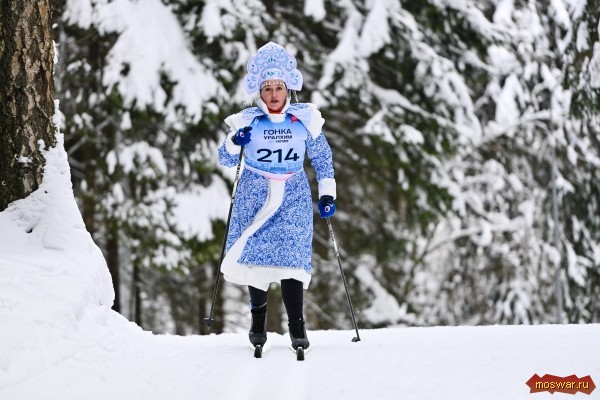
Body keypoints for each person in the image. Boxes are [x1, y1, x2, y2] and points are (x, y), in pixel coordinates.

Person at [217, 41, 337, 350]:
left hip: (293, 197)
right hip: (254, 197)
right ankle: (258, 323)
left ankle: (297, 327)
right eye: (267, 88)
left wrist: (327, 195)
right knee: (256, 260)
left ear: (288, 90)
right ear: (260, 91)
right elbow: (226, 159)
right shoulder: (247, 121)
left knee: (291, 260)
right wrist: (234, 141)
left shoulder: (304, 119)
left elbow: (322, 158)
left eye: (279, 88)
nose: (273, 94)